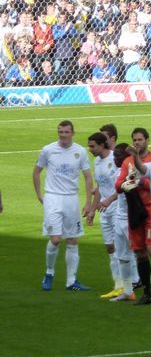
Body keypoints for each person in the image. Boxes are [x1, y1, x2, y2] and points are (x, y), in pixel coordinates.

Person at [34, 121, 94, 291]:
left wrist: (88, 202)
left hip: (71, 199)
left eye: (66, 132)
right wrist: (39, 194)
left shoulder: (80, 152)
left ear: (72, 133)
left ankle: (71, 281)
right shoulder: (48, 150)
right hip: (53, 198)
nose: (63, 135)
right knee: (55, 239)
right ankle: (49, 272)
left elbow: (88, 177)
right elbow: (36, 171)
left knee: (73, 240)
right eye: (60, 131)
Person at [115, 127, 151, 305]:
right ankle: (148, 294)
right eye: (134, 140)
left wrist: (139, 181)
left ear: (147, 140)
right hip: (134, 212)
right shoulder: (128, 161)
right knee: (140, 253)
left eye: (140, 140)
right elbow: (118, 186)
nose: (137, 143)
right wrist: (127, 181)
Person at [86, 132, 123, 298]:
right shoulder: (97, 161)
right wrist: (93, 210)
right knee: (109, 247)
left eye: (92, 146)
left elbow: (122, 184)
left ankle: (126, 284)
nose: (90, 149)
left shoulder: (116, 159)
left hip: (118, 207)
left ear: (102, 145)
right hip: (104, 209)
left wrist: (110, 200)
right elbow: (99, 187)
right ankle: (117, 285)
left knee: (121, 246)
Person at [109, 143, 138, 302]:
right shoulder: (117, 172)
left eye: (118, 156)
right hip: (119, 217)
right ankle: (128, 291)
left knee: (140, 254)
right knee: (121, 255)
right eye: (114, 155)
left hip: (131, 217)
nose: (115, 158)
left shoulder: (132, 171)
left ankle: (148, 290)